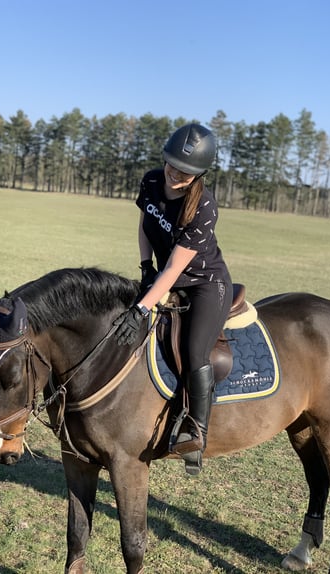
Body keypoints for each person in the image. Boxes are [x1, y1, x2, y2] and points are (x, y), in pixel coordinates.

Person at [113, 123, 233, 475]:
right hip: (162, 270)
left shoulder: (204, 206)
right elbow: (145, 224)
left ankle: (196, 431)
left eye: (186, 171)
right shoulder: (151, 181)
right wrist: (144, 265)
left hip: (204, 282)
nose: (176, 173)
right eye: (172, 165)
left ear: (200, 174)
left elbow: (176, 269)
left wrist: (142, 307)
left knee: (196, 352)